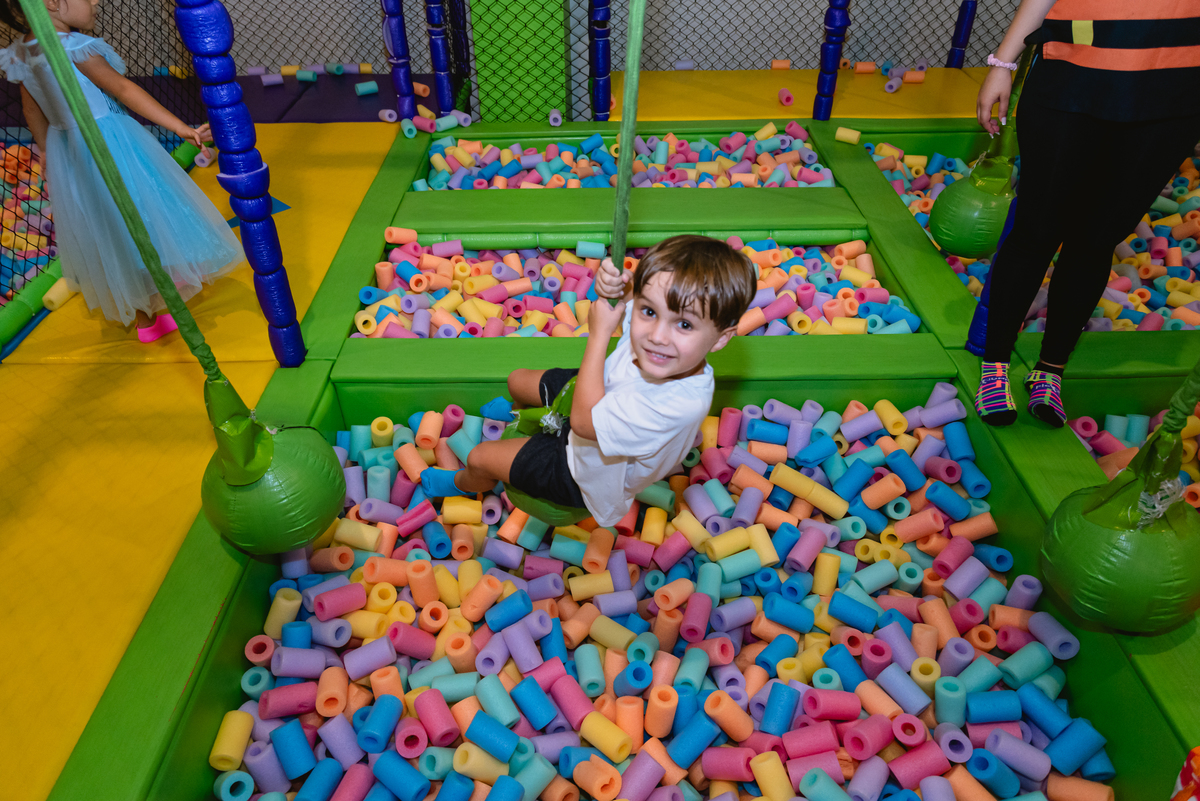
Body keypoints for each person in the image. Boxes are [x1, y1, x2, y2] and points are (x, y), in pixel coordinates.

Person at [420, 235, 757, 528]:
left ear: (721, 338)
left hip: (583, 470)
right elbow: (629, 296)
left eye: (684, 325)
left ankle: (464, 483)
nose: (657, 336)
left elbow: (583, 423)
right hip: (599, 389)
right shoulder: (665, 344)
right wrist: (615, 286)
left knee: (479, 457)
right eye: (649, 311)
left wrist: (598, 336)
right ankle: (524, 421)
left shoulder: (677, 405)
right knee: (516, 381)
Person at [972, 0, 1200, 426]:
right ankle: (995, 365)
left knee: (1096, 240)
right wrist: (1003, 63)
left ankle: (1050, 371)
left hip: (1171, 99)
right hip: (1071, 81)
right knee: (1036, 230)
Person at [0, 0, 243, 341]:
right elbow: (124, 89)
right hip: (108, 143)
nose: (96, 2)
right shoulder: (74, 47)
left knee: (106, 227)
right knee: (143, 212)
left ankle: (142, 316)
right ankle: (165, 300)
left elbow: (32, 111)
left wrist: (49, 157)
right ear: (52, 3)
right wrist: (179, 127)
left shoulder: (22, 53)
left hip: (67, 149)